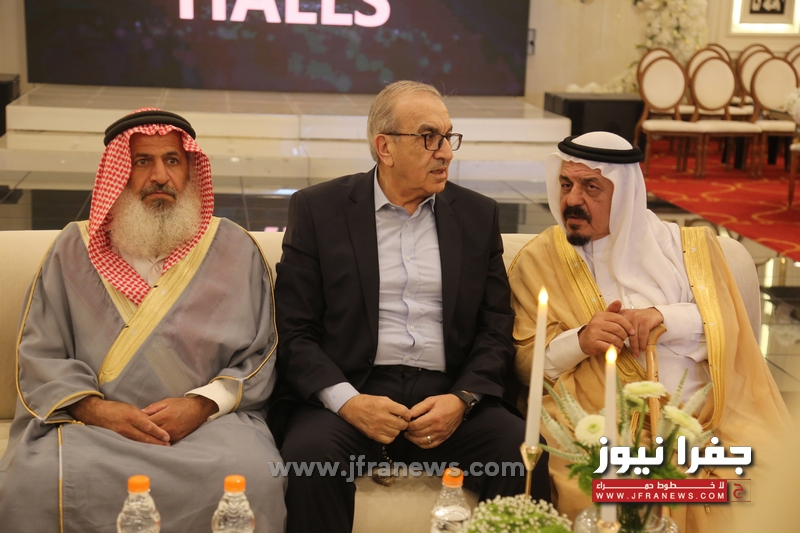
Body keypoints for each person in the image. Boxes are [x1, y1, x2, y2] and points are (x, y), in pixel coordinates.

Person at [271, 80, 550, 533]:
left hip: (447, 394)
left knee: (520, 452)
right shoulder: (319, 210)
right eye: (429, 137)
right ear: (385, 147)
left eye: (448, 137)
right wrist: (348, 402)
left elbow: (495, 327)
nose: (446, 153)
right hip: (352, 390)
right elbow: (294, 330)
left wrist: (462, 399)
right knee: (309, 457)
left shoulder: (477, 215)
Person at [0, 109, 286, 533]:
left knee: (254, 477)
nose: (160, 176)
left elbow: (261, 353)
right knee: (38, 481)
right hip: (93, 427)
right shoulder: (72, 250)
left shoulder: (235, 249)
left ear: (190, 169)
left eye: (172, 160)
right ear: (118, 172)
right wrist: (98, 410)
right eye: (141, 162)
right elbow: (41, 353)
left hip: (208, 426)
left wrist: (200, 405)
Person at [508, 131, 791, 531]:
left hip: (710, 419)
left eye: (591, 187)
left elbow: (730, 325)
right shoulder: (540, 260)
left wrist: (664, 317)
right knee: (604, 493)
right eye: (566, 184)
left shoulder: (687, 247)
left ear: (624, 193)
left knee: (768, 482)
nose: (572, 199)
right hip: (602, 424)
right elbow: (524, 362)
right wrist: (581, 340)